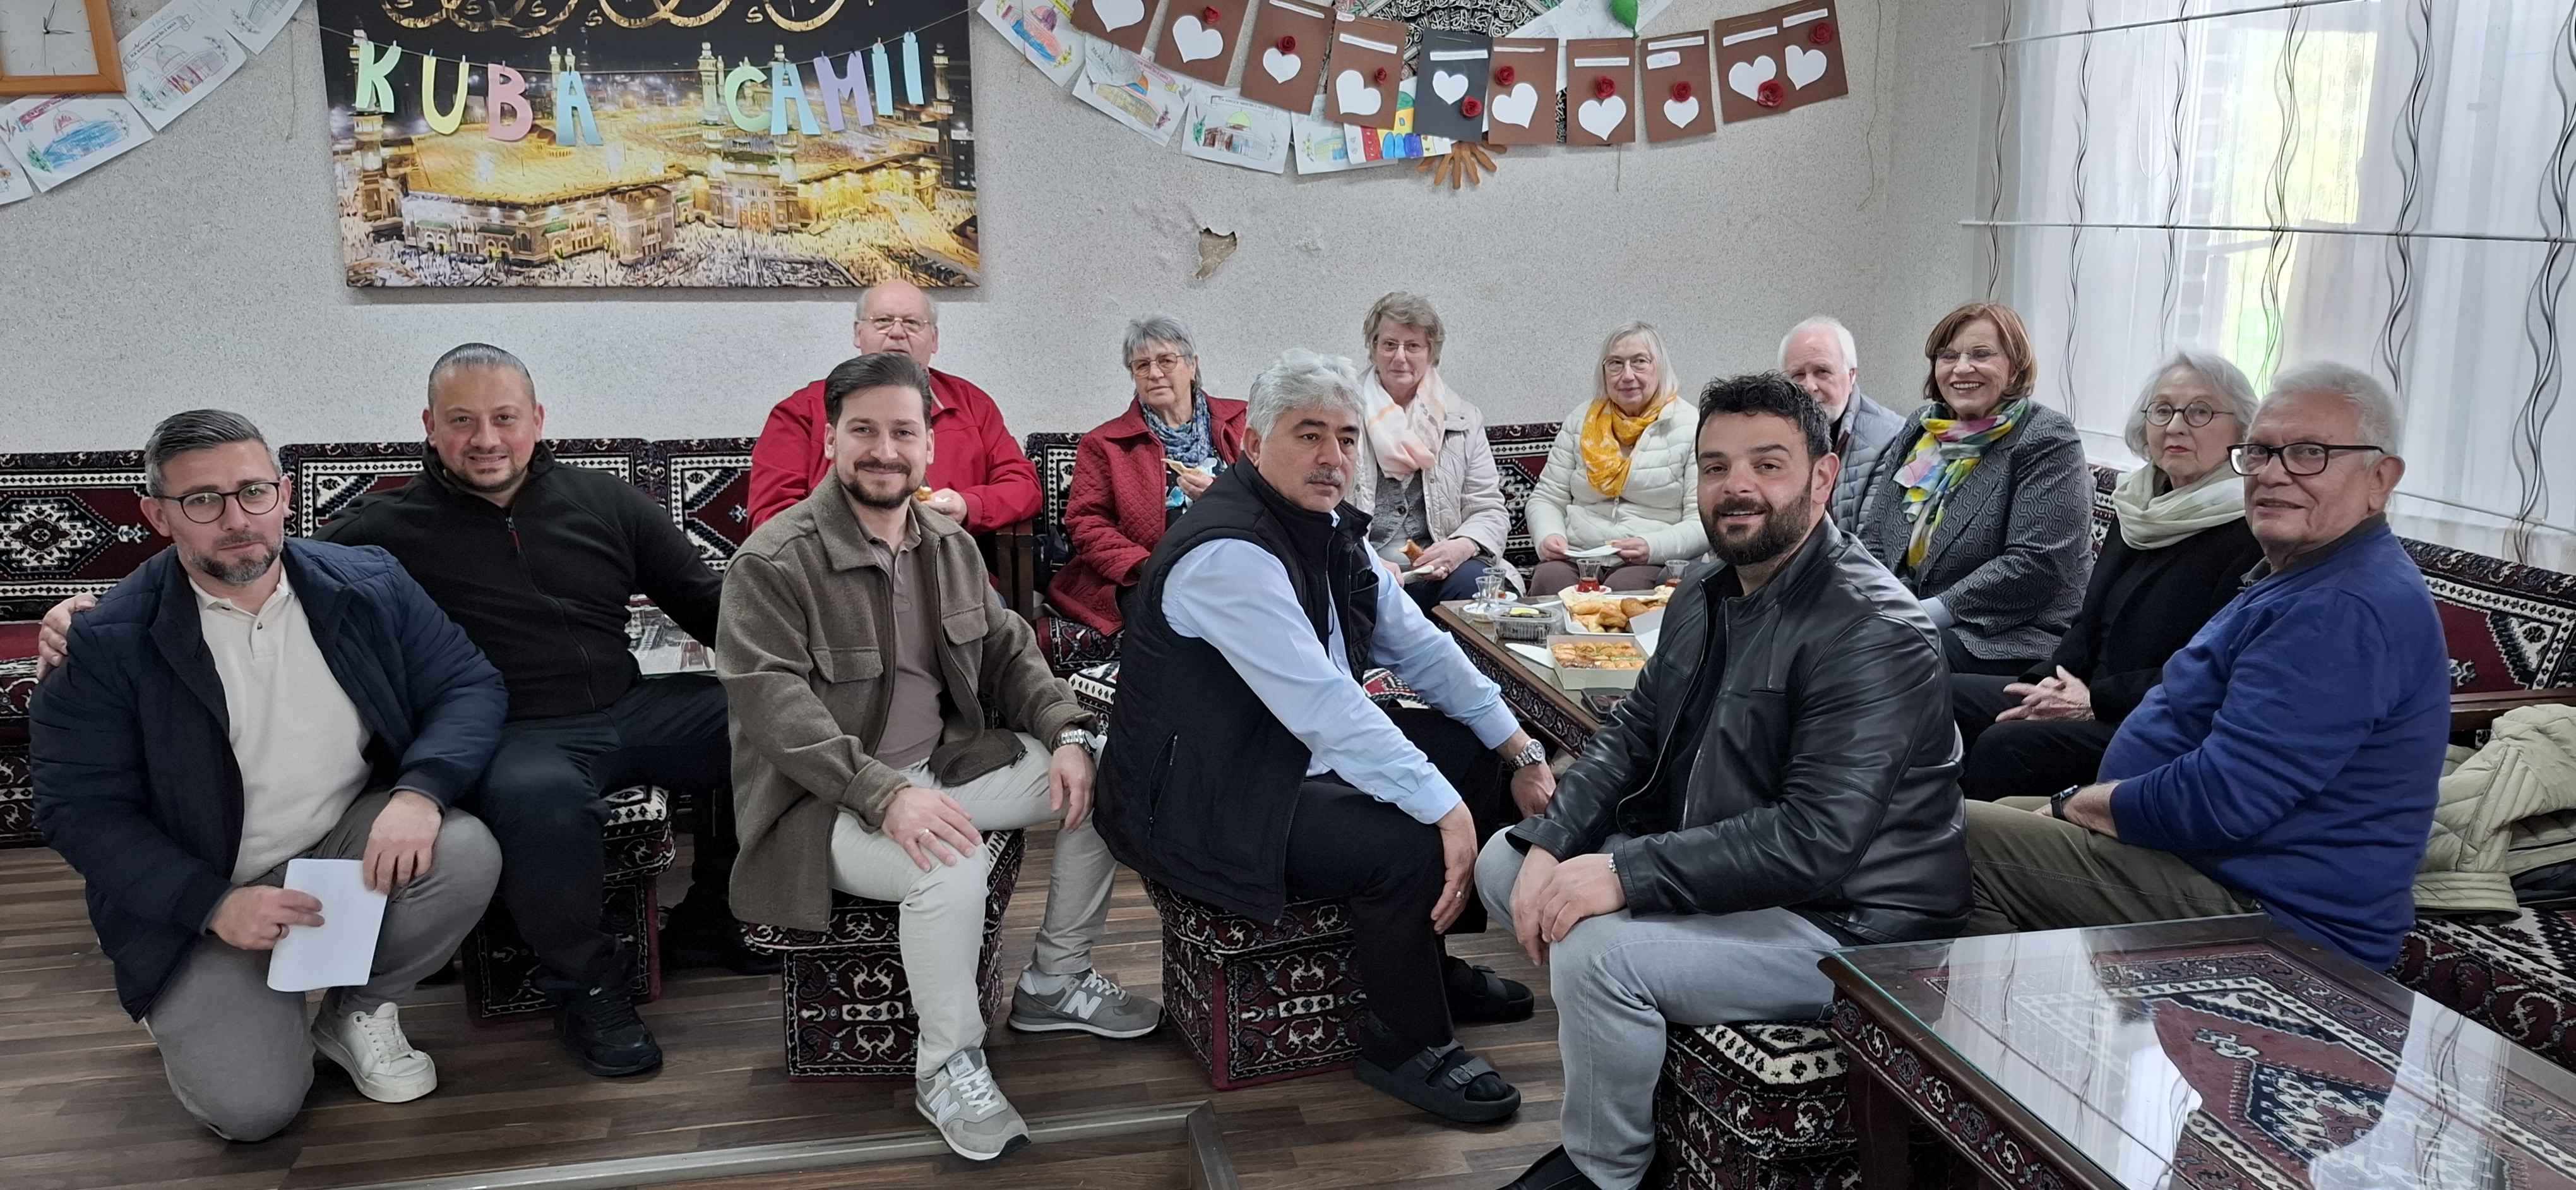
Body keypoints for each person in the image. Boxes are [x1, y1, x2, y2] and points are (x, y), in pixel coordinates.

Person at [44, 346, 765, 1078]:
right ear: (429, 427)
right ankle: (587, 989)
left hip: (628, 704)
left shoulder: (608, 502)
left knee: (766, 723)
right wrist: (93, 612)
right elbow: (251, 562)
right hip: (512, 734)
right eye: (461, 420)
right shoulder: (384, 530)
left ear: (538, 421)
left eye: (505, 418)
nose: (486, 438)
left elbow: (713, 611)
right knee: (540, 801)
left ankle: (713, 914)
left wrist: (812, 654)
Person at [1479, 373, 1967, 1190]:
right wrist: (1554, 841)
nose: (1737, 486)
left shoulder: (1877, 631)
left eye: (1768, 464)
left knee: (1597, 952)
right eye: (1715, 467)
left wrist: (1626, 872)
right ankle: (1638, 1065)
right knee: (1507, 860)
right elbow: (1634, 734)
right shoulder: (1705, 590)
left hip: (1852, 925)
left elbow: (1816, 841)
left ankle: (1605, 1173)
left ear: (1825, 475)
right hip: (1740, 870)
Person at [720, 352, 1160, 1162]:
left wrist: (1065, 734)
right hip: (827, 803)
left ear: (929, 446)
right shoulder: (774, 563)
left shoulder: (950, 544)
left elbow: (1012, 653)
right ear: (829, 441)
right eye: (864, 431)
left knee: (1108, 776)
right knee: (946, 862)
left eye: (903, 432)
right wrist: (884, 796)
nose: (884, 450)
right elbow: (776, 713)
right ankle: (948, 1063)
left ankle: (1054, 983)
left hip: (948, 764)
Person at [1100, 349, 1559, 1126]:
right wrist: (1445, 813)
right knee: (1409, 837)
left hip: (1275, 757)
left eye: (1347, 438)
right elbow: (1323, 706)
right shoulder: (1228, 553)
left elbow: (1422, 646)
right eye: (1308, 434)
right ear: (1253, 444)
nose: (1333, 458)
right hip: (1204, 794)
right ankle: (1403, 1040)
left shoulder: (1327, 531)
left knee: (1477, 761)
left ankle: (1429, 964)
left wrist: (1518, 749)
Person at [31, 410, 507, 1143]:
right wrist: (214, 905)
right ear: (158, 516)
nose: (236, 519)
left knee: (464, 848)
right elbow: (78, 811)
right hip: (203, 893)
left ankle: (354, 1009)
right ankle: (228, 1005)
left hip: (340, 851)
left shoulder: (368, 582)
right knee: (253, 1113)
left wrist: (420, 791)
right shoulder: (104, 642)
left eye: (253, 492)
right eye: (202, 501)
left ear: (286, 496)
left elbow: (467, 684)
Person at [1962, 363, 2451, 971]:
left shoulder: (2341, 607)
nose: (2273, 474)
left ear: (2380, 479)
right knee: (1984, 813)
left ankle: (1993, 1027)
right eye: (2262, 453)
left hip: (2275, 914)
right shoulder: (2305, 574)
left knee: (1955, 838)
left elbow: (2224, 798)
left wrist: (2079, 804)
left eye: (2309, 454)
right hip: (2206, 858)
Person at [1955, 351, 2264, 800]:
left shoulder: (2249, 530)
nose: (2176, 425)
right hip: (2081, 689)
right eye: (2162, 410)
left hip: (2149, 720)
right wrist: (2049, 680)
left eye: (2200, 412)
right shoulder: (2137, 504)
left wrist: (2093, 700)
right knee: (1941, 696)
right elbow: (2089, 619)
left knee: (2008, 745)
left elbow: (2211, 671)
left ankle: (1974, 859)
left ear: (2242, 431)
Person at [1852, 302, 2094, 676]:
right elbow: (1877, 534)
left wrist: (1920, 614)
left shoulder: (2046, 438)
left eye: (1981, 354)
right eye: (1949, 356)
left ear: (2015, 364)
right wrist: (1868, 599)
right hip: (1910, 614)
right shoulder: (1924, 428)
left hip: (2009, 635)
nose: (1962, 368)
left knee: (1876, 659)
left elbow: (2036, 565)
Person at [748, 280, 1041, 533]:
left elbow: (1023, 486)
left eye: (913, 323)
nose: (898, 333)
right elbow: (770, 518)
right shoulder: (801, 411)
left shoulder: (973, 405)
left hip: (950, 571)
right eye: (883, 321)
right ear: (858, 333)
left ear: (934, 339)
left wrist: (968, 506)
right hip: (833, 576)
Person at [1046, 315, 1248, 638]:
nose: (1155, 374)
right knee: (1178, 619)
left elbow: (1276, 494)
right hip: (1146, 577)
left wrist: (1218, 496)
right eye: (1141, 366)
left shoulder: (1244, 423)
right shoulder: (1105, 444)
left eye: (1166, 361)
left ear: (1193, 365)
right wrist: (1146, 565)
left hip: (1241, 568)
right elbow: (1086, 523)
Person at [1347, 292, 1520, 611]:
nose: (1400, 357)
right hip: (1363, 566)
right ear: (1373, 349)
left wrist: (1461, 546)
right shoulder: (1343, 417)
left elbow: (1489, 510)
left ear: (1431, 353)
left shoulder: (1462, 419)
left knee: (1477, 588)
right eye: (1389, 345)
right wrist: (1365, 560)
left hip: (1440, 570)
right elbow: (1320, 516)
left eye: (1413, 346)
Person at [1524, 322, 1706, 594]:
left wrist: (1652, 546)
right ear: (1604, 372)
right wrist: (1549, 536)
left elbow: (1703, 519)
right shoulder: (1581, 420)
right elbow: (1547, 498)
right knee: (1550, 579)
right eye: (1616, 364)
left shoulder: (1690, 425)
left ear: (1661, 368)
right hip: (1579, 555)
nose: (1627, 375)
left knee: (1627, 591)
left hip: (1652, 561)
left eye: (1640, 362)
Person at [1778, 315, 1904, 527]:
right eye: (1798, 375)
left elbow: (1871, 547)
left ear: (1851, 375)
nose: (1809, 386)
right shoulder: (1774, 435)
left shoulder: (1892, 440)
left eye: (1822, 371)